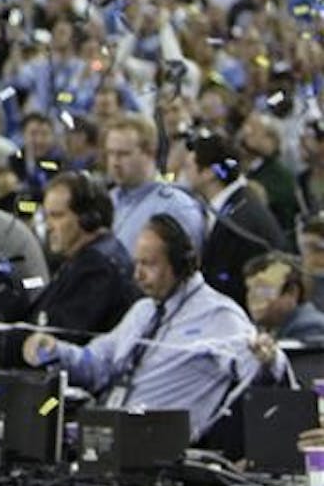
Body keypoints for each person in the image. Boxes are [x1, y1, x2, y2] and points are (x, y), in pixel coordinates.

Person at [24, 214, 282, 443]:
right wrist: (56, 350)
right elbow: (97, 362)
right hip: (110, 433)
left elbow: (257, 368)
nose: (138, 275)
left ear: (181, 264)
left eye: (149, 264)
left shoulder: (218, 315)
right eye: (137, 264)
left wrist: (269, 360)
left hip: (160, 447)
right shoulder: (143, 311)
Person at [27, 172, 141, 336]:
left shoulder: (97, 268)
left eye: (57, 216)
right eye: (47, 217)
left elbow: (57, 337)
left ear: (88, 219)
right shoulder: (82, 258)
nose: (48, 226)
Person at [183, 130, 287, 306]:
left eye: (188, 167)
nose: (183, 174)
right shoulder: (240, 202)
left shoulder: (236, 222)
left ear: (210, 173)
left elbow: (223, 287)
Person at [104, 113, 206, 258]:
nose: (114, 162)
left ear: (150, 153)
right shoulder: (108, 200)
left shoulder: (176, 207)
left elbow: (186, 266)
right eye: (110, 153)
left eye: (123, 154)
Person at [244, 252, 324, 345]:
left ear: (292, 292)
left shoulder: (310, 327)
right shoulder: (252, 327)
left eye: (263, 289)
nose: (252, 296)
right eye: (250, 288)